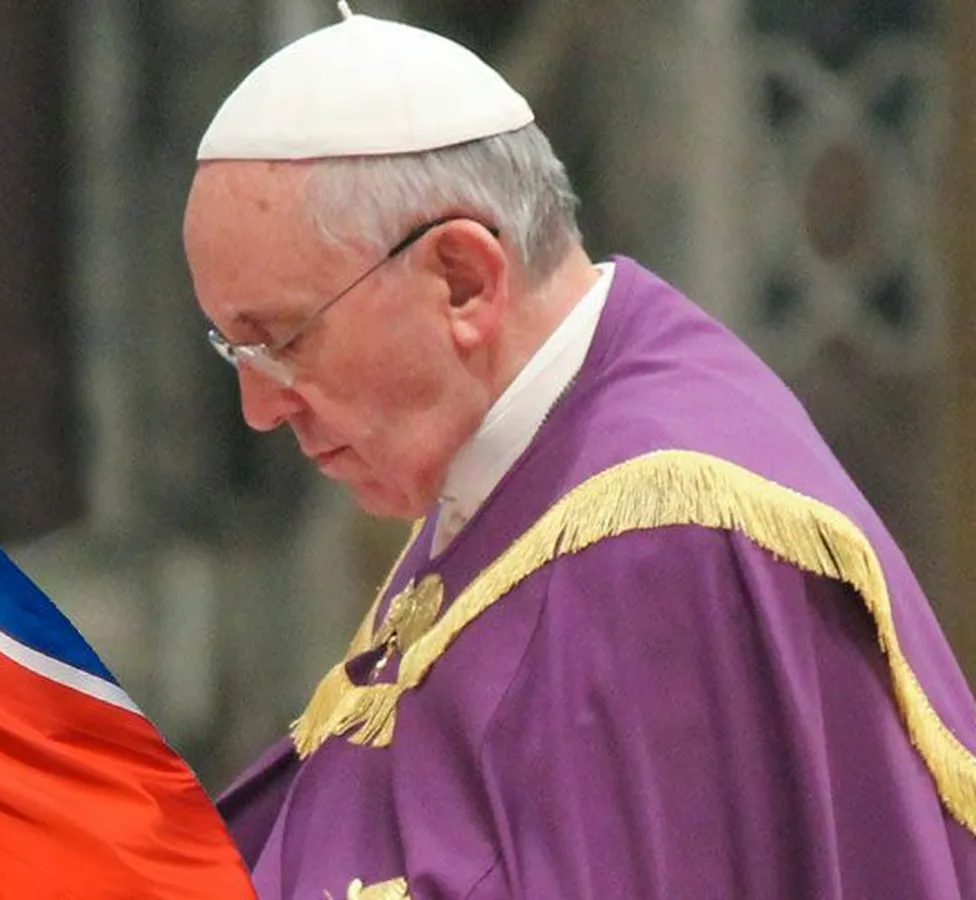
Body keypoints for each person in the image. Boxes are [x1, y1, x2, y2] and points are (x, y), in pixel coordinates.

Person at [184, 7, 976, 900]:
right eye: (235, 350)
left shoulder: (663, 546)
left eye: (283, 339)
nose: (260, 409)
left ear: (462, 280)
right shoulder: (517, 467)